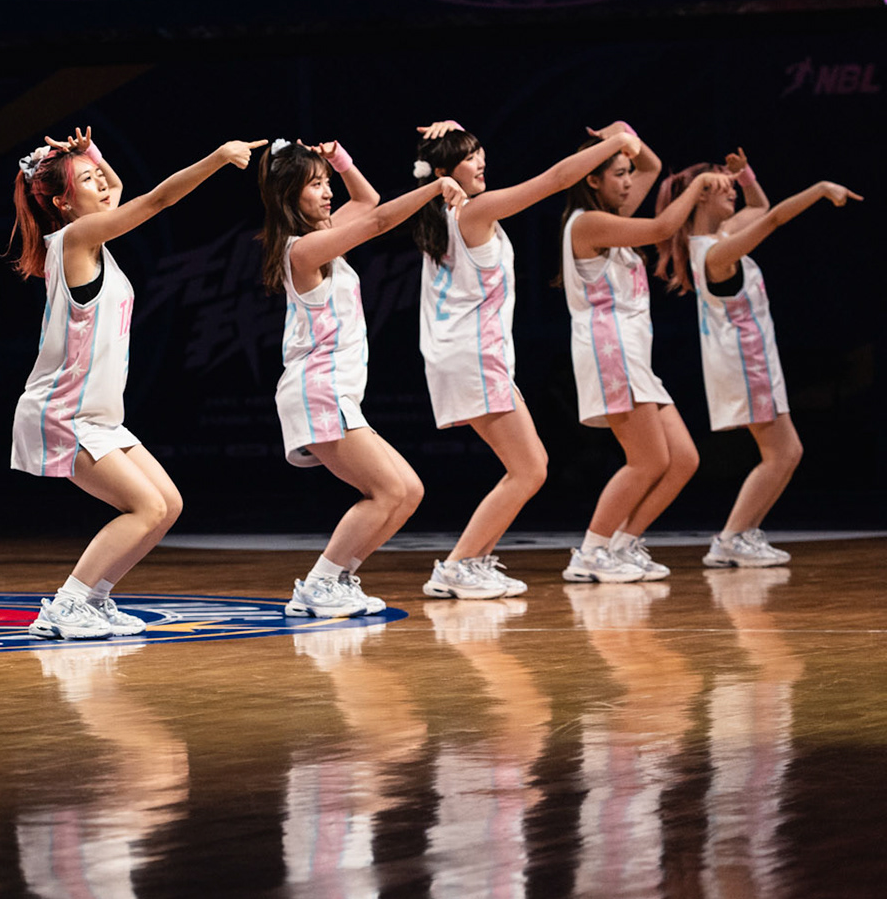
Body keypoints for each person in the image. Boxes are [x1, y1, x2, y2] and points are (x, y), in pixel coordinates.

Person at [8, 129, 262, 639]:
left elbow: (120, 190)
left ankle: (95, 600)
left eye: (99, 177)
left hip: (99, 416)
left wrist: (91, 156)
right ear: (62, 202)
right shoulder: (75, 240)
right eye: (87, 181)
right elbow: (157, 199)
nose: (102, 184)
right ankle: (66, 604)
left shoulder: (91, 236)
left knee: (167, 505)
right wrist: (216, 154)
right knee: (144, 508)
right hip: (63, 411)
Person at [408, 119, 643, 600]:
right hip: (474, 356)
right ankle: (458, 565)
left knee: (528, 466)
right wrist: (614, 144)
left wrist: (458, 134)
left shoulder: (445, 215)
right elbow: (556, 180)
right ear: (444, 170)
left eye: (480, 152)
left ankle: (470, 562)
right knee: (531, 467)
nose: (481, 161)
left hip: (468, 355)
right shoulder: (474, 211)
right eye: (470, 155)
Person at [258, 137, 464, 618]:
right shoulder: (302, 249)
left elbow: (366, 201)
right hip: (318, 391)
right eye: (314, 185)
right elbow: (378, 219)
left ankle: (337, 579)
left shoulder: (322, 236)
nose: (327, 192)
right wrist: (435, 187)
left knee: (408, 491)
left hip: (334, 392)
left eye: (326, 182)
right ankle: (319, 584)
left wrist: (340, 160)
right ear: (290, 195)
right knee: (389, 492)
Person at [650, 150, 863, 568]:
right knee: (783, 453)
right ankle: (731, 539)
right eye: (723, 185)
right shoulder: (713, 254)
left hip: (752, 361)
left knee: (786, 452)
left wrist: (746, 175)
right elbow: (773, 218)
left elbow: (760, 205)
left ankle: (739, 536)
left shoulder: (718, 236)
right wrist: (819, 189)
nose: (732, 191)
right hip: (745, 365)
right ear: (701, 197)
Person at [557, 125, 728, 584]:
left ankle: (622, 544)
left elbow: (651, 166)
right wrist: (696, 186)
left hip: (633, 355)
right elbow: (661, 227)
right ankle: (591, 552)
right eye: (618, 174)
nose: (630, 181)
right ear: (593, 180)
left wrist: (627, 136)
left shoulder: (610, 216)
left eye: (627, 173)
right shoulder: (589, 223)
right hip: (609, 351)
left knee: (683, 459)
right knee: (647, 461)